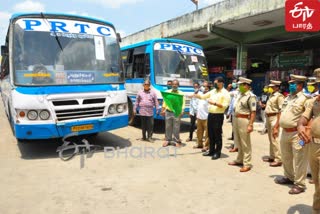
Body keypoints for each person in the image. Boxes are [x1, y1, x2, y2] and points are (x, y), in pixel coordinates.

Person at [274, 74, 310, 194]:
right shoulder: (288, 97)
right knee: (286, 156)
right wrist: (277, 126)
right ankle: (289, 177)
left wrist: (306, 132)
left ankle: (300, 184)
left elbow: (309, 116)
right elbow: (282, 113)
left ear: (300, 85)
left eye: (293, 84)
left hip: (297, 134)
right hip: (285, 132)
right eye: (290, 84)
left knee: (300, 159)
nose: (290, 86)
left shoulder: (305, 98)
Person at [297, 73, 320, 213]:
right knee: (317, 182)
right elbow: (303, 119)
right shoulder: (314, 101)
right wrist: (300, 126)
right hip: (314, 146)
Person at [195, 76, 230, 160]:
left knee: (217, 134)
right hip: (210, 115)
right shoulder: (213, 91)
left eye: (216, 83)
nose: (214, 84)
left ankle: (217, 153)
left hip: (218, 116)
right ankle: (211, 150)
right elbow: (203, 96)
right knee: (210, 134)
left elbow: (225, 106)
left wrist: (214, 103)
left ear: (221, 83)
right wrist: (194, 95)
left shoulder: (225, 93)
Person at [228, 77, 256, 172]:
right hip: (236, 118)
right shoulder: (240, 95)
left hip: (244, 119)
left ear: (246, 85)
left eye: (241, 85)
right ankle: (239, 159)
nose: (239, 86)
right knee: (238, 141)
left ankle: (247, 163)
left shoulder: (250, 96)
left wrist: (250, 124)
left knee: (245, 142)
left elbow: (253, 112)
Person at [263, 80, 284, 167]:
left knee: (275, 139)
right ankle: (272, 156)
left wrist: (277, 124)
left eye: (272, 87)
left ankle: (278, 159)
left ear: (276, 87)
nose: (270, 88)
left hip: (274, 117)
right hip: (268, 117)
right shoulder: (271, 95)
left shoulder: (279, 96)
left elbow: (280, 111)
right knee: (270, 138)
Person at [161, 79, 185, 147]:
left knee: (176, 127)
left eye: (176, 84)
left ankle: (176, 140)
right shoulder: (167, 92)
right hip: (168, 111)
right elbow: (165, 102)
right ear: (171, 85)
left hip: (177, 112)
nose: (174, 85)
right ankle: (168, 140)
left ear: (178, 85)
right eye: (173, 84)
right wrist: (162, 110)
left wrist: (182, 110)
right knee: (168, 126)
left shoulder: (181, 93)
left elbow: (183, 103)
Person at [194, 81, 210, 150]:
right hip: (199, 117)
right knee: (199, 132)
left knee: (207, 133)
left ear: (208, 88)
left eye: (205, 86)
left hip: (207, 117)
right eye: (203, 86)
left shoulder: (210, 95)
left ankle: (206, 146)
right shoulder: (200, 94)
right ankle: (199, 144)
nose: (203, 88)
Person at [226, 79, 239, 152]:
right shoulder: (235, 92)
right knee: (235, 130)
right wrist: (229, 112)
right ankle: (236, 145)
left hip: (242, 116)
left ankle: (239, 146)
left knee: (240, 132)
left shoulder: (248, 94)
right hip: (234, 115)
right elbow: (231, 103)